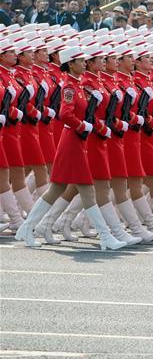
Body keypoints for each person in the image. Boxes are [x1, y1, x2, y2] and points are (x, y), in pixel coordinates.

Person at [14, 45, 127, 250]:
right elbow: (65, 114)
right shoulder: (69, 87)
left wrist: (93, 125)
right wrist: (84, 125)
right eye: (80, 61)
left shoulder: (77, 85)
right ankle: (105, 236)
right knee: (86, 189)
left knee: (57, 188)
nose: (84, 63)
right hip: (72, 141)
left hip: (77, 140)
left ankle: (27, 227)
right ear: (71, 64)